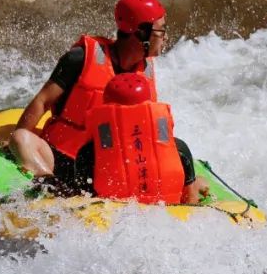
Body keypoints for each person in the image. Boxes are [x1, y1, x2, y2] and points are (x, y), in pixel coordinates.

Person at [10, 0, 168, 183]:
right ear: (141, 33)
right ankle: (47, 185)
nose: (165, 37)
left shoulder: (146, 73)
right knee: (21, 138)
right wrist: (14, 143)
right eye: (161, 31)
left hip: (106, 168)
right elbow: (43, 101)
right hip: (57, 155)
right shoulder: (81, 57)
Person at [72, 73, 209, 205]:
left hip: (113, 220)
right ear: (149, 106)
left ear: (107, 109)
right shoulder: (179, 149)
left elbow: (84, 204)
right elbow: (191, 202)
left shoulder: (88, 152)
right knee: (199, 183)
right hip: (168, 216)